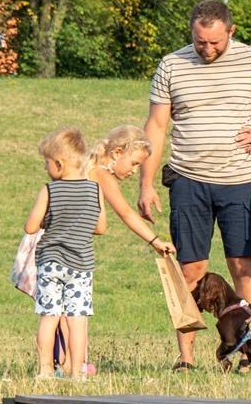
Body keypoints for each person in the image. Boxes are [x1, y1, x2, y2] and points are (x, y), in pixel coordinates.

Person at [139, 0, 251, 371]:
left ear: (231, 31)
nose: (207, 49)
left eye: (215, 42)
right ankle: (186, 359)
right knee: (190, 271)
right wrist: (146, 183)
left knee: (242, 266)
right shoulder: (172, 64)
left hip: (239, 182)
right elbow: (156, 126)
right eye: (199, 41)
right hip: (188, 180)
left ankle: (250, 355)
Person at [24, 128, 106, 379]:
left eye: (47, 163)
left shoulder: (49, 190)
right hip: (81, 265)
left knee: (49, 317)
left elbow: (30, 227)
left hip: (50, 263)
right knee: (77, 320)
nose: (46, 167)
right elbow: (100, 228)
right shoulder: (95, 190)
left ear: (59, 163)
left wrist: (50, 221)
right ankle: (77, 372)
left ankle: (45, 370)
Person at [87, 125, 176, 256]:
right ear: (117, 153)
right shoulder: (102, 175)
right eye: (134, 163)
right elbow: (125, 213)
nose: (134, 171)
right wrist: (156, 242)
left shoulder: (89, 168)